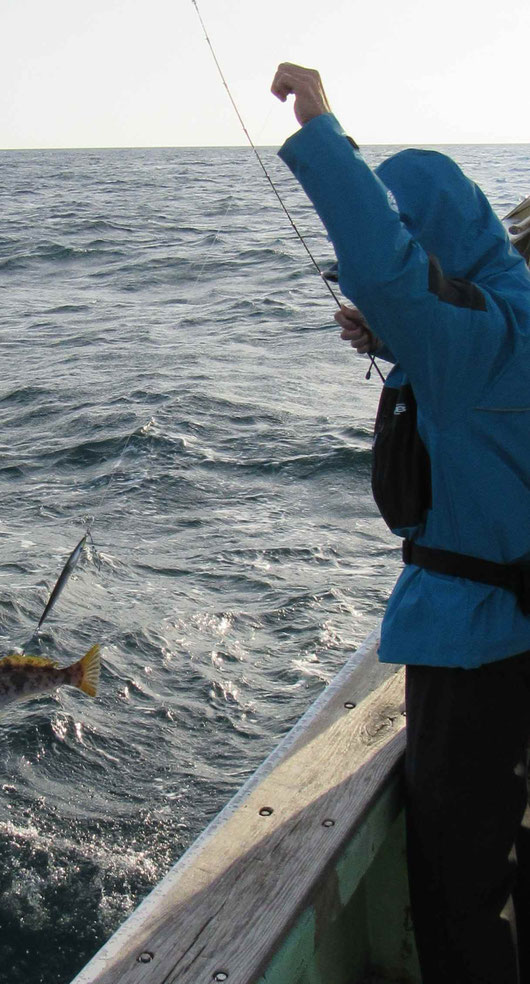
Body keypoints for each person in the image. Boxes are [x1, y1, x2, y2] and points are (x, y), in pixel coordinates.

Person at [270, 63, 530, 983]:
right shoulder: (510, 310)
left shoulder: (474, 338)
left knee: (458, 894)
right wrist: (396, 338)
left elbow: (393, 270)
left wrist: (320, 127)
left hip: (481, 649)